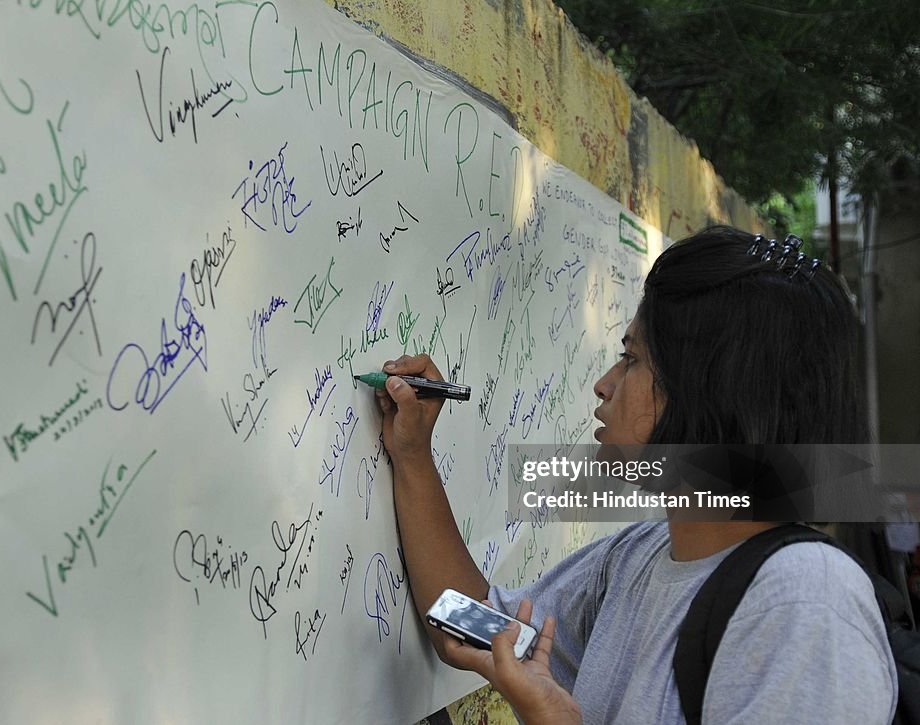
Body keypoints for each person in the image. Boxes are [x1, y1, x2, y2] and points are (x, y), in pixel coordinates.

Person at [373, 226, 898, 724]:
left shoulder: (804, 603)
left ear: (709, 391)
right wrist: (414, 454)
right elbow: (470, 625)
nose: (604, 385)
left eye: (632, 359)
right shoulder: (639, 558)